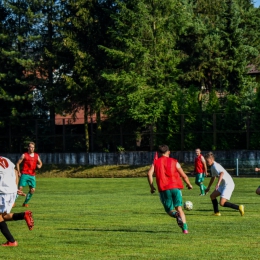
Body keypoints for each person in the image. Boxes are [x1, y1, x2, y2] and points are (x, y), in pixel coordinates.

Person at [147, 145, 193, 234]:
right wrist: (189, 184)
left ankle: (176, 215)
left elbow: (149, 174)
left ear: (159, 153)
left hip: (164, 189)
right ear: (169, 152)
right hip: (176, 187)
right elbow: (184, 175)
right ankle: (185, 229)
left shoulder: (156, 162)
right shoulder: (174, 161)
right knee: (179, 208)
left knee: (169, 210)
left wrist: (152, 187)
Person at [0, 156, 34, 246]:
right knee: (3, 216)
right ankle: (24, 215)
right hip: (11, 191)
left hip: (2, 192)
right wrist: (14, 188)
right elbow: (15, 172)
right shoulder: (6, 159)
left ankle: (11, 241)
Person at [204, 152, 244, 216]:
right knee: (212, 196)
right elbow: (213, 177)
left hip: (228, 184)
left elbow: (222, 173)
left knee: (222, 203)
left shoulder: (215, 166)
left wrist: (218, 183)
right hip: (223, 184)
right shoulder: (212, 167)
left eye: (207, 161)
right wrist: (208, 187)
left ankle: (239, 207)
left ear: (211, 159)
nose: (206, 162)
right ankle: (217, 213)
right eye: (205, 161)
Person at [16, 142, 42, 207]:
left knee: (32, 189)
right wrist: (19, 172)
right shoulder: (24, 155)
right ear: (28, 148)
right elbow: (18, 163)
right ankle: (12, 202)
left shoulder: (36, 156)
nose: (32, 148)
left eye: (33, 147)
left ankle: (25, 203)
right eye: (31, 147)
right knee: (20, 189)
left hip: (32, 175)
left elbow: (40, 163)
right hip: (24, 174)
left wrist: (39, 166)